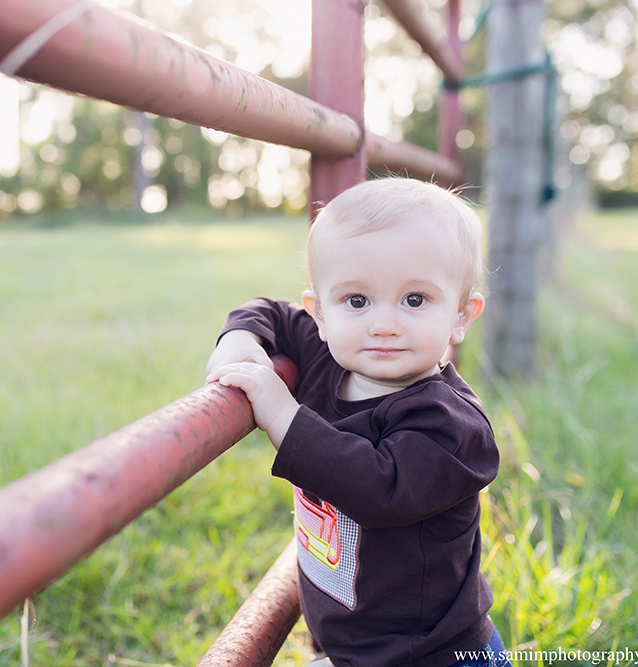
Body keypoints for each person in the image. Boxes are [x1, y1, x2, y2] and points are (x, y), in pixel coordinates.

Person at [205, 178, 509, 667]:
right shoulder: (328, 355)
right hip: (358, 647)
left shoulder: (452, 425)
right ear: (320, 313)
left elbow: (376, 487)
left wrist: (283, 413)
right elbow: (270, 312)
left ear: (461, 315)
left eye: (414, 299)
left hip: (434, 654)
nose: (383, 324)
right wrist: (241, 338)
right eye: (357, 300)